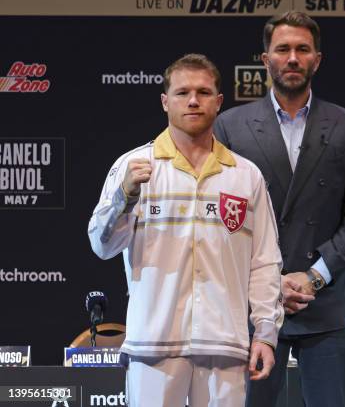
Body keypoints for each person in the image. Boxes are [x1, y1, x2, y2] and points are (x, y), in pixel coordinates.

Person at [88, 54, 283, 407]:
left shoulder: (245, 175)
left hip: (224, 344)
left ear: (218, 102)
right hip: (153, 345)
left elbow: (265, 262)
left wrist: (266, 334)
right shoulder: (133, 166)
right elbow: (102, 245)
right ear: (165, 102)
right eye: (182, 93)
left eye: (203, 92)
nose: (193, 100)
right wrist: (125, 195)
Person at [214, 11, 345, 407]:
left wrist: (313, 277)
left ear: (317, 59)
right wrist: (273, 285)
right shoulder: (230, 127)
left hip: (326, 304)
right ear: (265, 59)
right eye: (282, 49)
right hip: (253, 310)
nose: (293, 58)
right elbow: (218, 218)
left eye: (303, 49)